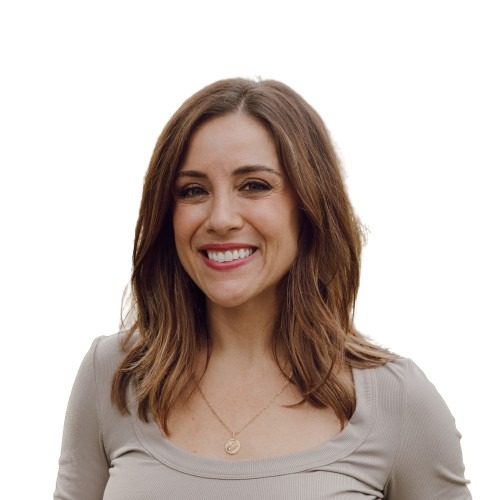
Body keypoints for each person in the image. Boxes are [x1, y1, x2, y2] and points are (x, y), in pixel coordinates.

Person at [54, 78, 472, 499]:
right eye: (193, 190)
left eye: (254, 185)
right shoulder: (112, 376)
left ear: (309, 204)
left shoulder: (397, 399)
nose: (221, 218)